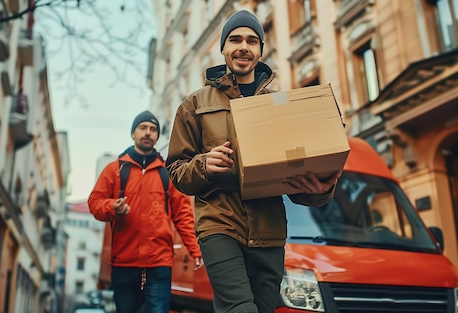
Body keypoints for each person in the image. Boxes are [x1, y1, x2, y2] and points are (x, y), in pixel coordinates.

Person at [165, 10, 340, 313]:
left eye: (252, 40)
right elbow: (176, 172)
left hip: (269, 232)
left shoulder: (278, 106)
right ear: (224, 48)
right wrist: (204, 164)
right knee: (240, 308)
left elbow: (293, 177)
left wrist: (319, 189)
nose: (243, 47)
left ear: (260, 50)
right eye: (235, 39)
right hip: (219, 225)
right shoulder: (195, 104)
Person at [88, 111, 203, 313]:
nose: (148, 133)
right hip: (124, 261)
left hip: (158, 262)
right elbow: (95, 203)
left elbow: (183, 215)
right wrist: (113, 208)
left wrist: (195, 250)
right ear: (133, 133)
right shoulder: (114, 170)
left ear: (157, 136)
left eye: (153, 129)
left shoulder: (168, 172)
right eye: (143, 128)